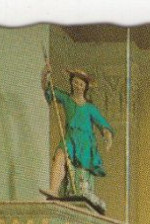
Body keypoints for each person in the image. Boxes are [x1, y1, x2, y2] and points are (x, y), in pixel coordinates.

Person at [42, 65, 113, 212]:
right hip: (70, 136)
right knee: (60, 157)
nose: (78, 86)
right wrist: (45, 74)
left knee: (81, 169)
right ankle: (53, 190)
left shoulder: (89, 108)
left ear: (85, 87)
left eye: (81, 84)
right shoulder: (67, 99)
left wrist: (107, 136)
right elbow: (48, 91)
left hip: (85, 142)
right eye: (75, 82)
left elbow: (103, 125)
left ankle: (80, 193)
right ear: (71, 83)